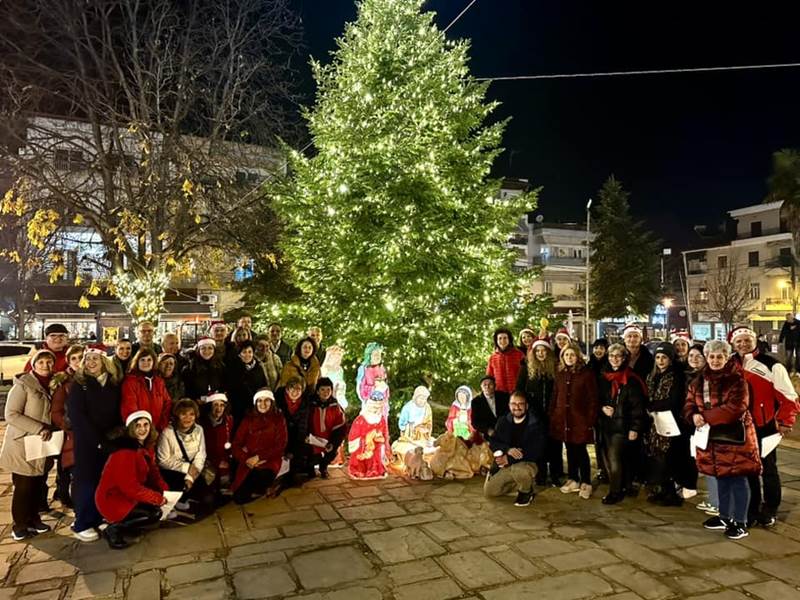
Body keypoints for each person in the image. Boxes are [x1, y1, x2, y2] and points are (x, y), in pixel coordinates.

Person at [684, 339, 761, 540]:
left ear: (727, 358)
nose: (715, 360)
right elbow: (689, 403)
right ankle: (725, 516)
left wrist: (705, 417)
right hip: (711, 438)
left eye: (720, 356)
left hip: (735, 439)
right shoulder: (698, 381)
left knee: (737, 479)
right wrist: (693, 416)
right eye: (712, 356)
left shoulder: (737, 380)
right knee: (720, 478)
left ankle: (741, 521)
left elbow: (735, 409)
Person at [729, 326, 799, 527]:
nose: (743, 344)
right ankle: (751, 507)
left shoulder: (772, 365)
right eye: (739, 341)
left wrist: (786, 420)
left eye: (747, 340)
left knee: (768, 469)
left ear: (754, 341)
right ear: (733, 343)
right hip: (738, 426)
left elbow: (789, 396)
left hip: (764, 424)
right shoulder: (729, 363)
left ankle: (770, 508)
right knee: (745, 469)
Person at [67, 345, 124, 541]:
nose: (91, 363)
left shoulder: (113, 383)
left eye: (95, 359)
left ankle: (99, 515)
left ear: (104, 362)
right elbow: (77, 416)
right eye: (88, 359)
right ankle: (82, 522)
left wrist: (115, 434)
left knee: (104, 481)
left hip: (109, 440)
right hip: (87, 442)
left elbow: (117, 411)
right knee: (86, 482)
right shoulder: (79, 384)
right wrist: (97, 441)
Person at [1, 349, 57, 540]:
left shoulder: (53, 384)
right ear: (34, 364)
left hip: (43, 443)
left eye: (49, 362)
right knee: (23, 485)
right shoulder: (23, 385)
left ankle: (34, 518)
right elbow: (11, 414)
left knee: (38, 482)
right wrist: (38, 428)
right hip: (24, 441)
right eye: (41, 362)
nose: (45, 366)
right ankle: (20, 524)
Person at [95, 410, 168, 549]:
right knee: (154, 513)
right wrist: (156, 498)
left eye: (146, 425)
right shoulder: (125, 452)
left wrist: (165, 491)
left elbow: (153, 473)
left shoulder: (142, 446)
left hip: (128, 495)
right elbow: (129, 487)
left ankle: (125, 525)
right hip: (113, 499)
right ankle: (113, 529)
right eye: (138, 425)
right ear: (131, 428)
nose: (142, 429)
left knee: (156, 508)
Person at [597, 343, 646, 504]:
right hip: (606, 424)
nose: (614, 359)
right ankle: (624, 486)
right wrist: (602, 408)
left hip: (622, 426)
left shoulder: (631, 379)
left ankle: (615, 492)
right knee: (611, 458)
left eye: (618, 356)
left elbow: (637, 406)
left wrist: (635, 427)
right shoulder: (604, 376)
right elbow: (597, 398)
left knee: (615, 459)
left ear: (624, 358)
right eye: (611, 356)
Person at [551, 343, 599, 499]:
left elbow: (593, 399)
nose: (569, 358)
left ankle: (586, 481)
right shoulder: (560, 374)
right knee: (569, 449)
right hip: (563, 418)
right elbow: (555, 396)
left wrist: (590, 419)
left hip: (579, 419)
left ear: (577, 356)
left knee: (580, 450)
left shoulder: (586, 374)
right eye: (566, 355)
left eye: (572, 355)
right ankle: (573, 478)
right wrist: (552, 414)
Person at [643, 342, 686, 506]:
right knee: (657, 456)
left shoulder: (675, 375)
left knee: (668, 458)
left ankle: (672, 493)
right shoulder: (652, 375)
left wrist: (651, 406)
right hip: (654, 422)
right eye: (658, 357)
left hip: (670, 421)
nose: (660, 361)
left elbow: (674, 400)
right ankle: (661, 489)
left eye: (664, 357)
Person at [485, 392, 546, 507]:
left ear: (526, 406)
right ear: (509, 406)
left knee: (520, 470)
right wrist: (507, 449)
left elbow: (536, 451)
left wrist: (509, 458)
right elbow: (493, 441)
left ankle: (526, 491)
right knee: (490, 492)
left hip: (528, 463)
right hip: (507, 464)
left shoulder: (536, 424)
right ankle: (520, 483)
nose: (517, 407)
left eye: (520, 404)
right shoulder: (503, 421)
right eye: (513, 404)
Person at [516, 339, 562, 486]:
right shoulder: (527, 368)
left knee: (555, 444)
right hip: (534, 414)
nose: (541, 353)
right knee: (538, 445)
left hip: (553, 412)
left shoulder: (555, 368)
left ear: (548, 352)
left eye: (543, 350)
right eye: (538, 351)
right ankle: (540, 474)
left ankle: (556, 474)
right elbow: (519, 390)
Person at [157, 399, 214, 515]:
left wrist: (190, 477)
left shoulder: (199, 430)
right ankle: (176, 501)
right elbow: (163, 461)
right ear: (177, 415)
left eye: (191, 414)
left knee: (209, 499)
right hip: (173, 472)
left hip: (194, 471)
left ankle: (187, 496)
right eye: (184, 414)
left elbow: (201, 455)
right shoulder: (167, 432)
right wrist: (186, 467)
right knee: (178, 487)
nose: (188, 418)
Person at [231, 389, 288, 504]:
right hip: (249, 460)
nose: (262, 404)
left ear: (272, 402)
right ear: (255, 403)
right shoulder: (248, 419)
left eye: (266, 400)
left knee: (262, 478)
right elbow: (236, 443)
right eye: (259, 401)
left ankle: (273, 483)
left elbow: (281, 444)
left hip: (269, 460)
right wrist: (246, 458)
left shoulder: (278, 418)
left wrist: (259, 457)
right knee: (239, 498)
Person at [49, 344, 85, 508]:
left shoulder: (89, 377)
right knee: (65, 465)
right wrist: (66, 425)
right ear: (69, 361)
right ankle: (63, 494)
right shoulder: (63, 381)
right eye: (74, 358)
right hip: (68, 430)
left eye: (80, 357)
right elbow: (56, 410)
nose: (78, 361)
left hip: (84, 430)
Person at [685, 344, 720, 516]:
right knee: (706, 464)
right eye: (691, 355)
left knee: (714, 464)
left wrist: (703, 415)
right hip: (698, 426)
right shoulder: (692, 376)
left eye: (698, 356)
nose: (694, 359)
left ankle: (718, 503)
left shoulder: (708, 377)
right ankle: (715, 500)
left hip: (711, 426)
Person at [121, 348, 172, 433]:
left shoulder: (159, 381)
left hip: (158, 429)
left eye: (149, 360)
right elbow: (129, 407)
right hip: (139, 430)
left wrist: (161, 425)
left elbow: (167, 403)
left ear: (154, 362)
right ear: (137, 362)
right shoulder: (130, 382)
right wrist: (142, 428)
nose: (146, 363)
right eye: (142, 360)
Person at [307, 378, 347, 478]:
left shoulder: (335, 407)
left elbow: (340, 427)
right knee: (308, 454)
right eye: (322, 390)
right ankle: (310, 468)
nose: (325, 393)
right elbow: (304, 423)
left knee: (332, 452)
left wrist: (333, 443)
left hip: (328, 440)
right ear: (317, 391)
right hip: (312, 439)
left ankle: (323, 467)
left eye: (328, 390)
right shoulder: (310, 405)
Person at [275, 376, 312, 479]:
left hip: (296, 434)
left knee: (301, 451)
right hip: (281, 433)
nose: (295, 392)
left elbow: (303, 426)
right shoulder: (278, 400)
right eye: (292, 388)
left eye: (298, 389)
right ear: (287, 389)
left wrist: (293, 450)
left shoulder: (304, 403)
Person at [347, 392, 390, 480]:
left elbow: (384, 432)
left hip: (376, 446)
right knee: (362, 458)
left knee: (375, 457)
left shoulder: (381, 419)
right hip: (363, 447)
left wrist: (381, 438)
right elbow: (354, 435)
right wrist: (367, 438)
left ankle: (374, 469)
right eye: (374, 407)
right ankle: (361, 469)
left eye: (378, 407)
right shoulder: (361, 419)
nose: (376, 409)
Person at [227, 340, 268, 426]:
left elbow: (264, 385)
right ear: (239, 354)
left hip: (255, 406)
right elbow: (230, 388)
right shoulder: (232, 368)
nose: (247, 355)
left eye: (250, 352)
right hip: (238, 407)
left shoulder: (258, 368)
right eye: (244, 352)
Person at [201, 393, 234, 490]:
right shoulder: (202, 423)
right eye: (215, 404)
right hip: (208, 461)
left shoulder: (229, 421)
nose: (219, 408)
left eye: (222, 405)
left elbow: (231, 441)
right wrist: (216, 462)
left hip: (225, 459)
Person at [182, 337, 226, 403]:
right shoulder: (189, 369)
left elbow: (224, 385)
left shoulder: (221, 366)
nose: (207, 351)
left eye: (210, 348)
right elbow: (187, 390)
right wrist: (195, 399)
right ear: (198, 350)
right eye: (203, 348)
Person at [486, 328, 525, 395]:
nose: (502, 340)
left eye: (505, 338)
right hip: (499, 394)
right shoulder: (493, 358)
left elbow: (525, 374)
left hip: (517, 393)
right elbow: (489, 377)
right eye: (500, 338)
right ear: (496, 341)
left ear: (509, 339)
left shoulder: (519, 354)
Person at [471, 375, 509, 442]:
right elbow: (475, 422)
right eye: (484, 385)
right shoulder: (476, 402)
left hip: (506, 430)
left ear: (495, 386)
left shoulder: (504, 396)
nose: (487, 387)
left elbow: (509, 413)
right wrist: (487, 430)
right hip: (489, 434)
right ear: (481, 387)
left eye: (490, 384)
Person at [356, 343, 390, 407]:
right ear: (369, 355)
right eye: (375, 354)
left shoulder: (382, 369)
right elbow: (360, 390)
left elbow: (386, 389)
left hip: (382, 405)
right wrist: (375, 388)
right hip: (369, 404)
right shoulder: (363, 369)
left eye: (379, 354)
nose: (378, 357)